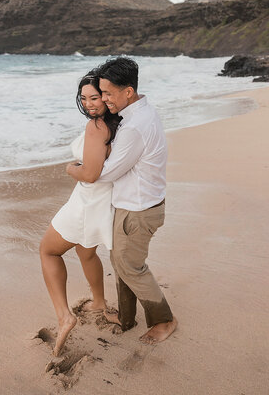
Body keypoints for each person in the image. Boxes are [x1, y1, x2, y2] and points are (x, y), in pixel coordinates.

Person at [67, 57, 177, 344]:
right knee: (120, 259)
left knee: (130, 265)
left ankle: (164, 319)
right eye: (100, 93)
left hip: (139, 209)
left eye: (107, 93)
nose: (103, 100)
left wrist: (74, 168)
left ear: (128, 91)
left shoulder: (134, 128)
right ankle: (127, 317)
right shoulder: (139, 113)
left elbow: (103, 174)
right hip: (135, 204)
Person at [39, 73, 120, 356]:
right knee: (86, 254)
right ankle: (99, 302)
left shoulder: (97, 126)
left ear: (106, 96)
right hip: (100, 202)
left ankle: (64, 316)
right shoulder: (116, 122)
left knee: (48, 251)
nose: (88, 104)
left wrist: (71, 169)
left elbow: (90, 173)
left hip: (85, 203)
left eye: (94, 97)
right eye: (83, 98)